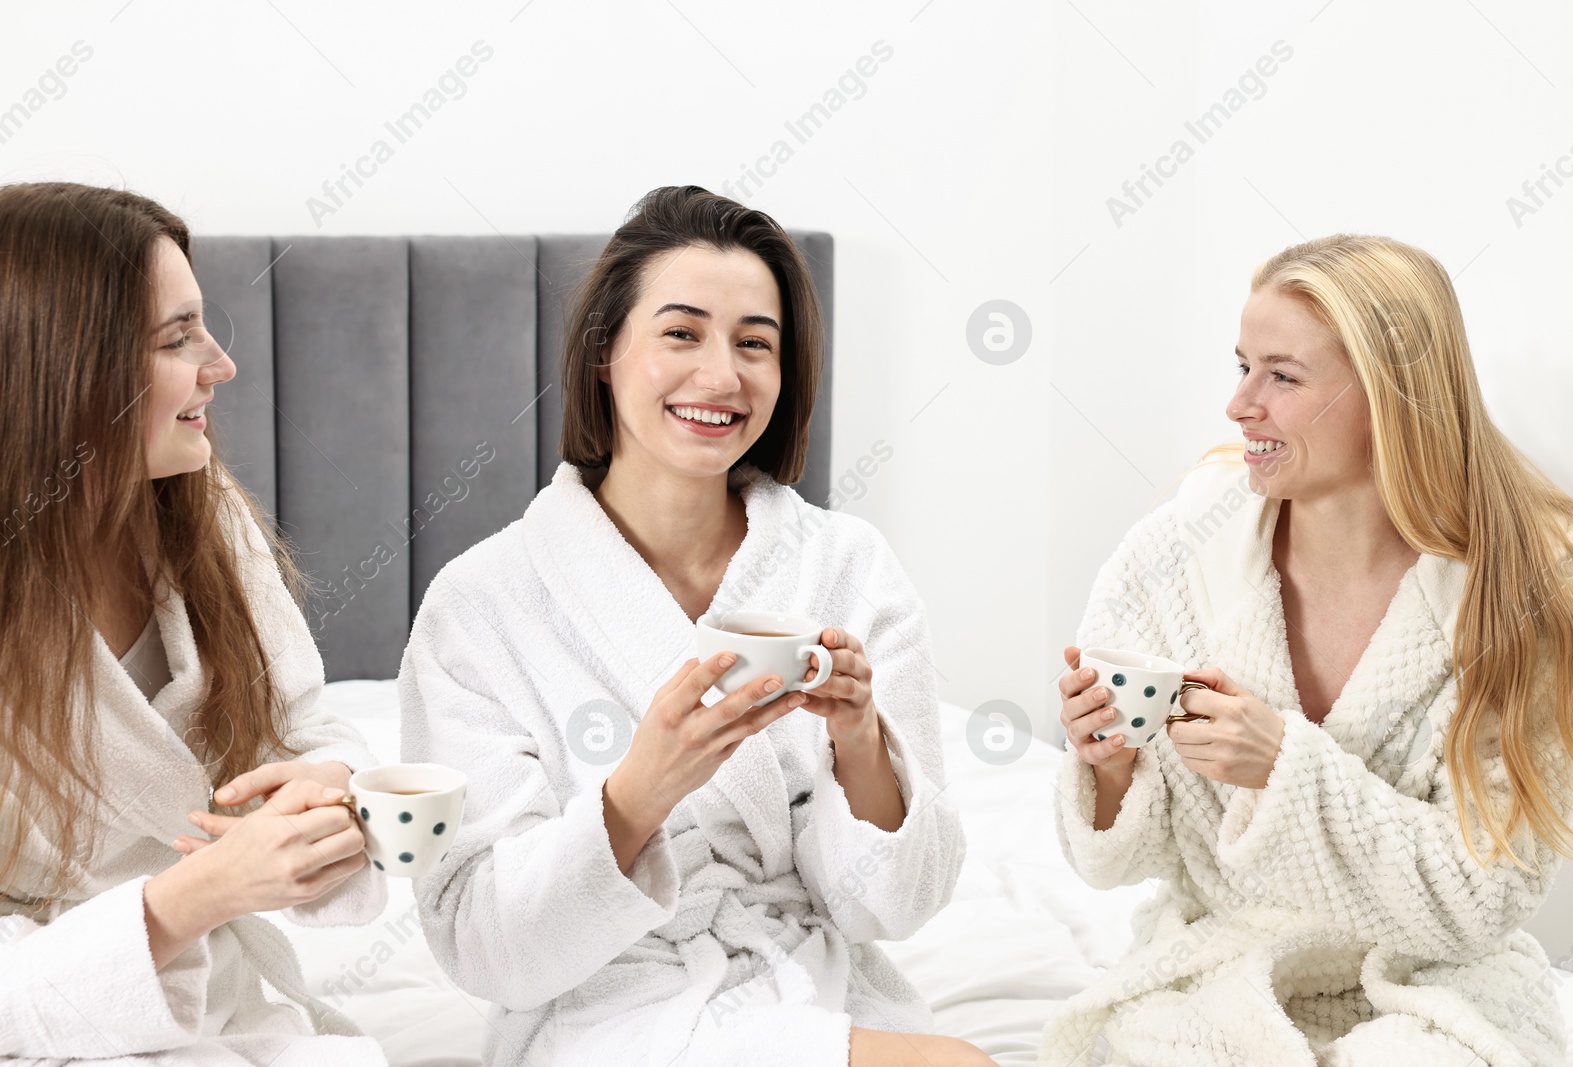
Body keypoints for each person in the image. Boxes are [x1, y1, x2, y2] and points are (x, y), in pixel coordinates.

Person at [399, 186, 988, 1066]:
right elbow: (485, 942)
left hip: (813, 980)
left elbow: (893, 907)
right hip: (600, 1007)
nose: (723, 376)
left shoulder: (849, 567)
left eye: (756, 343)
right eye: (682, 333)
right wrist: (641, 789)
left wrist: (862, 742)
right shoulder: (481, 603)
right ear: (606, 352)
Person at [1044, 233, 1573, 1066]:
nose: (1239, 405)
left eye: (1282, 375)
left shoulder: (1521, 590)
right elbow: (1128, 855)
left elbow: (1481, 894)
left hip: (1433, 982)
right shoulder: (1180, 552)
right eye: (1242, 366)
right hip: (1223, 962)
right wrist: (1109, 763)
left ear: (1389, 395)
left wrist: (1284, 767)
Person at [0, 183, 388, 1065]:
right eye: (177, 337)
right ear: (63, 365)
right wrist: (185, 902)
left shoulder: (201, 520)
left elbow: (298, 727)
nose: (221, 364)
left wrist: (325, 784)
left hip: (221, 1005)